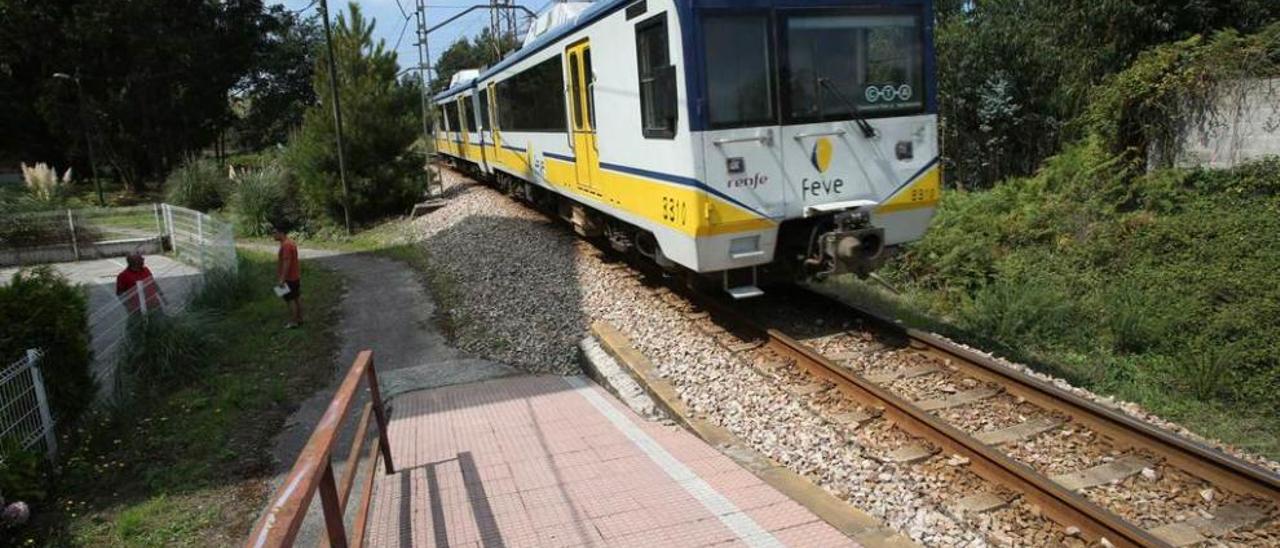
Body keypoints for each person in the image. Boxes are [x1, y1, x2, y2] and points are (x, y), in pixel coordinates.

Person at [274, 227, 303, 328]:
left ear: (281, 233)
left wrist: (282, 279)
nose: (273, 235)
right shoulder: (290, 243)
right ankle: (299, 318)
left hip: (289, 278)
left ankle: (294, 322)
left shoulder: (286, 245)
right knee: (296, 298)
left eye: (275, 232)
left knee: (290, 301)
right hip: (295, 276)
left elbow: (287, 262)